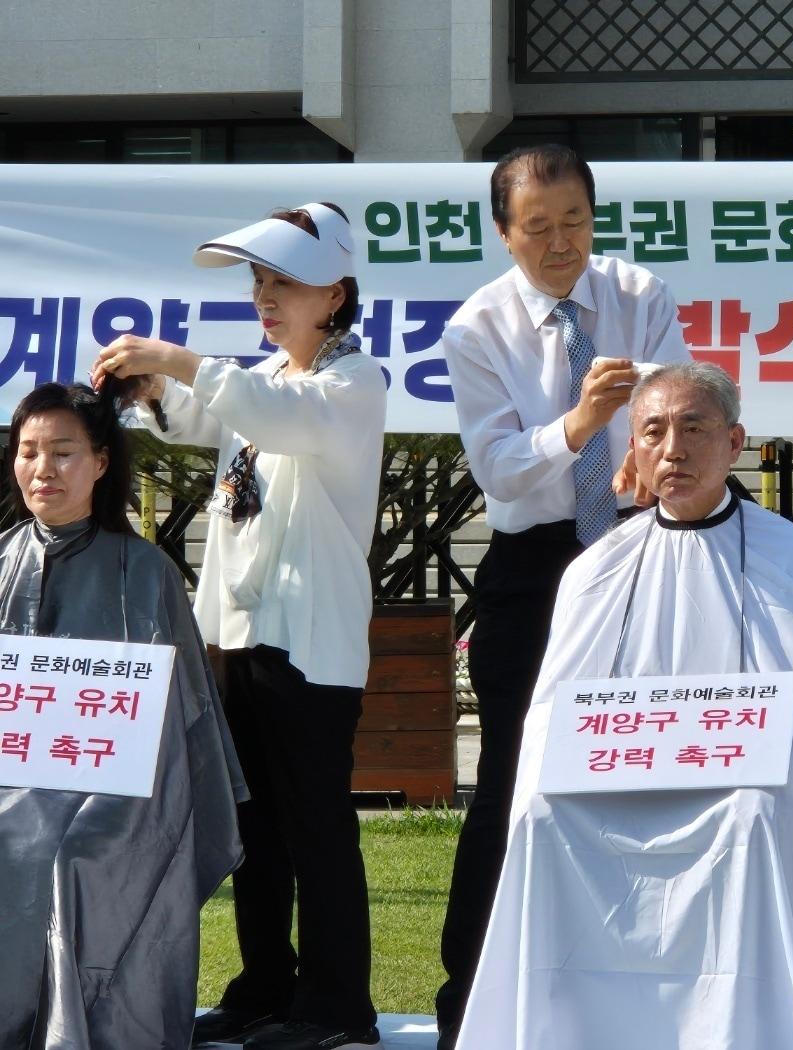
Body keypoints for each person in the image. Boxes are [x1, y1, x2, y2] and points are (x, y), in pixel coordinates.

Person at [451, 361, 793, 1050]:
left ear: (734, 443)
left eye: (694, 428)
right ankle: (572, 1024)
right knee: (539, 811)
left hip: (734, 783)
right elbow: (555, 707)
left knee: (750, 814)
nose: (673, 449)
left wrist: (762, 753)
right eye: (652, 431)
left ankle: (733, 1026)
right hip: (613, 783)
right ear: (632, 448)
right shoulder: (598, 567)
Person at [92, 202, 387, 1050]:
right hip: (239, 637)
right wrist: (154, 389)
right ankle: (266, 987)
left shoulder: (352, 382)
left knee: (316, 825)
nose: (265, 298)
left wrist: (176, 360)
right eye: (260, 283)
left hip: (309, 643)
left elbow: (260, 410)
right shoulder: (271, 381)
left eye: (284, 284)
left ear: (335, 294)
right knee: (255, 825)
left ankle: (337, 1009)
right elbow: (207, 416)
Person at [437, 143, 691, 1047]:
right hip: (534, 568)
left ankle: (633, 997)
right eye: (537, 228)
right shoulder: (477, 330)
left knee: (639, 779)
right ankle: (469, 1002)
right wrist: (580, 424)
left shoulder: (639, 296)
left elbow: (679, 408)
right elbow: (501, 473)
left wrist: (652, 450)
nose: (560, 244)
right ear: (503, 233)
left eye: (575, 221)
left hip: (635, 546)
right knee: (510, 781)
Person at [0, 380, 244, 1050]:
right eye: (28, 452)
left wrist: (95, 796)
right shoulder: (2, 560)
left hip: (121, 796)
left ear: (102, 462)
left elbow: (170, 730)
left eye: (63, 452)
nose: (42, 469)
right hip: (10, 788)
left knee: (70, 853)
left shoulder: (146, 572)